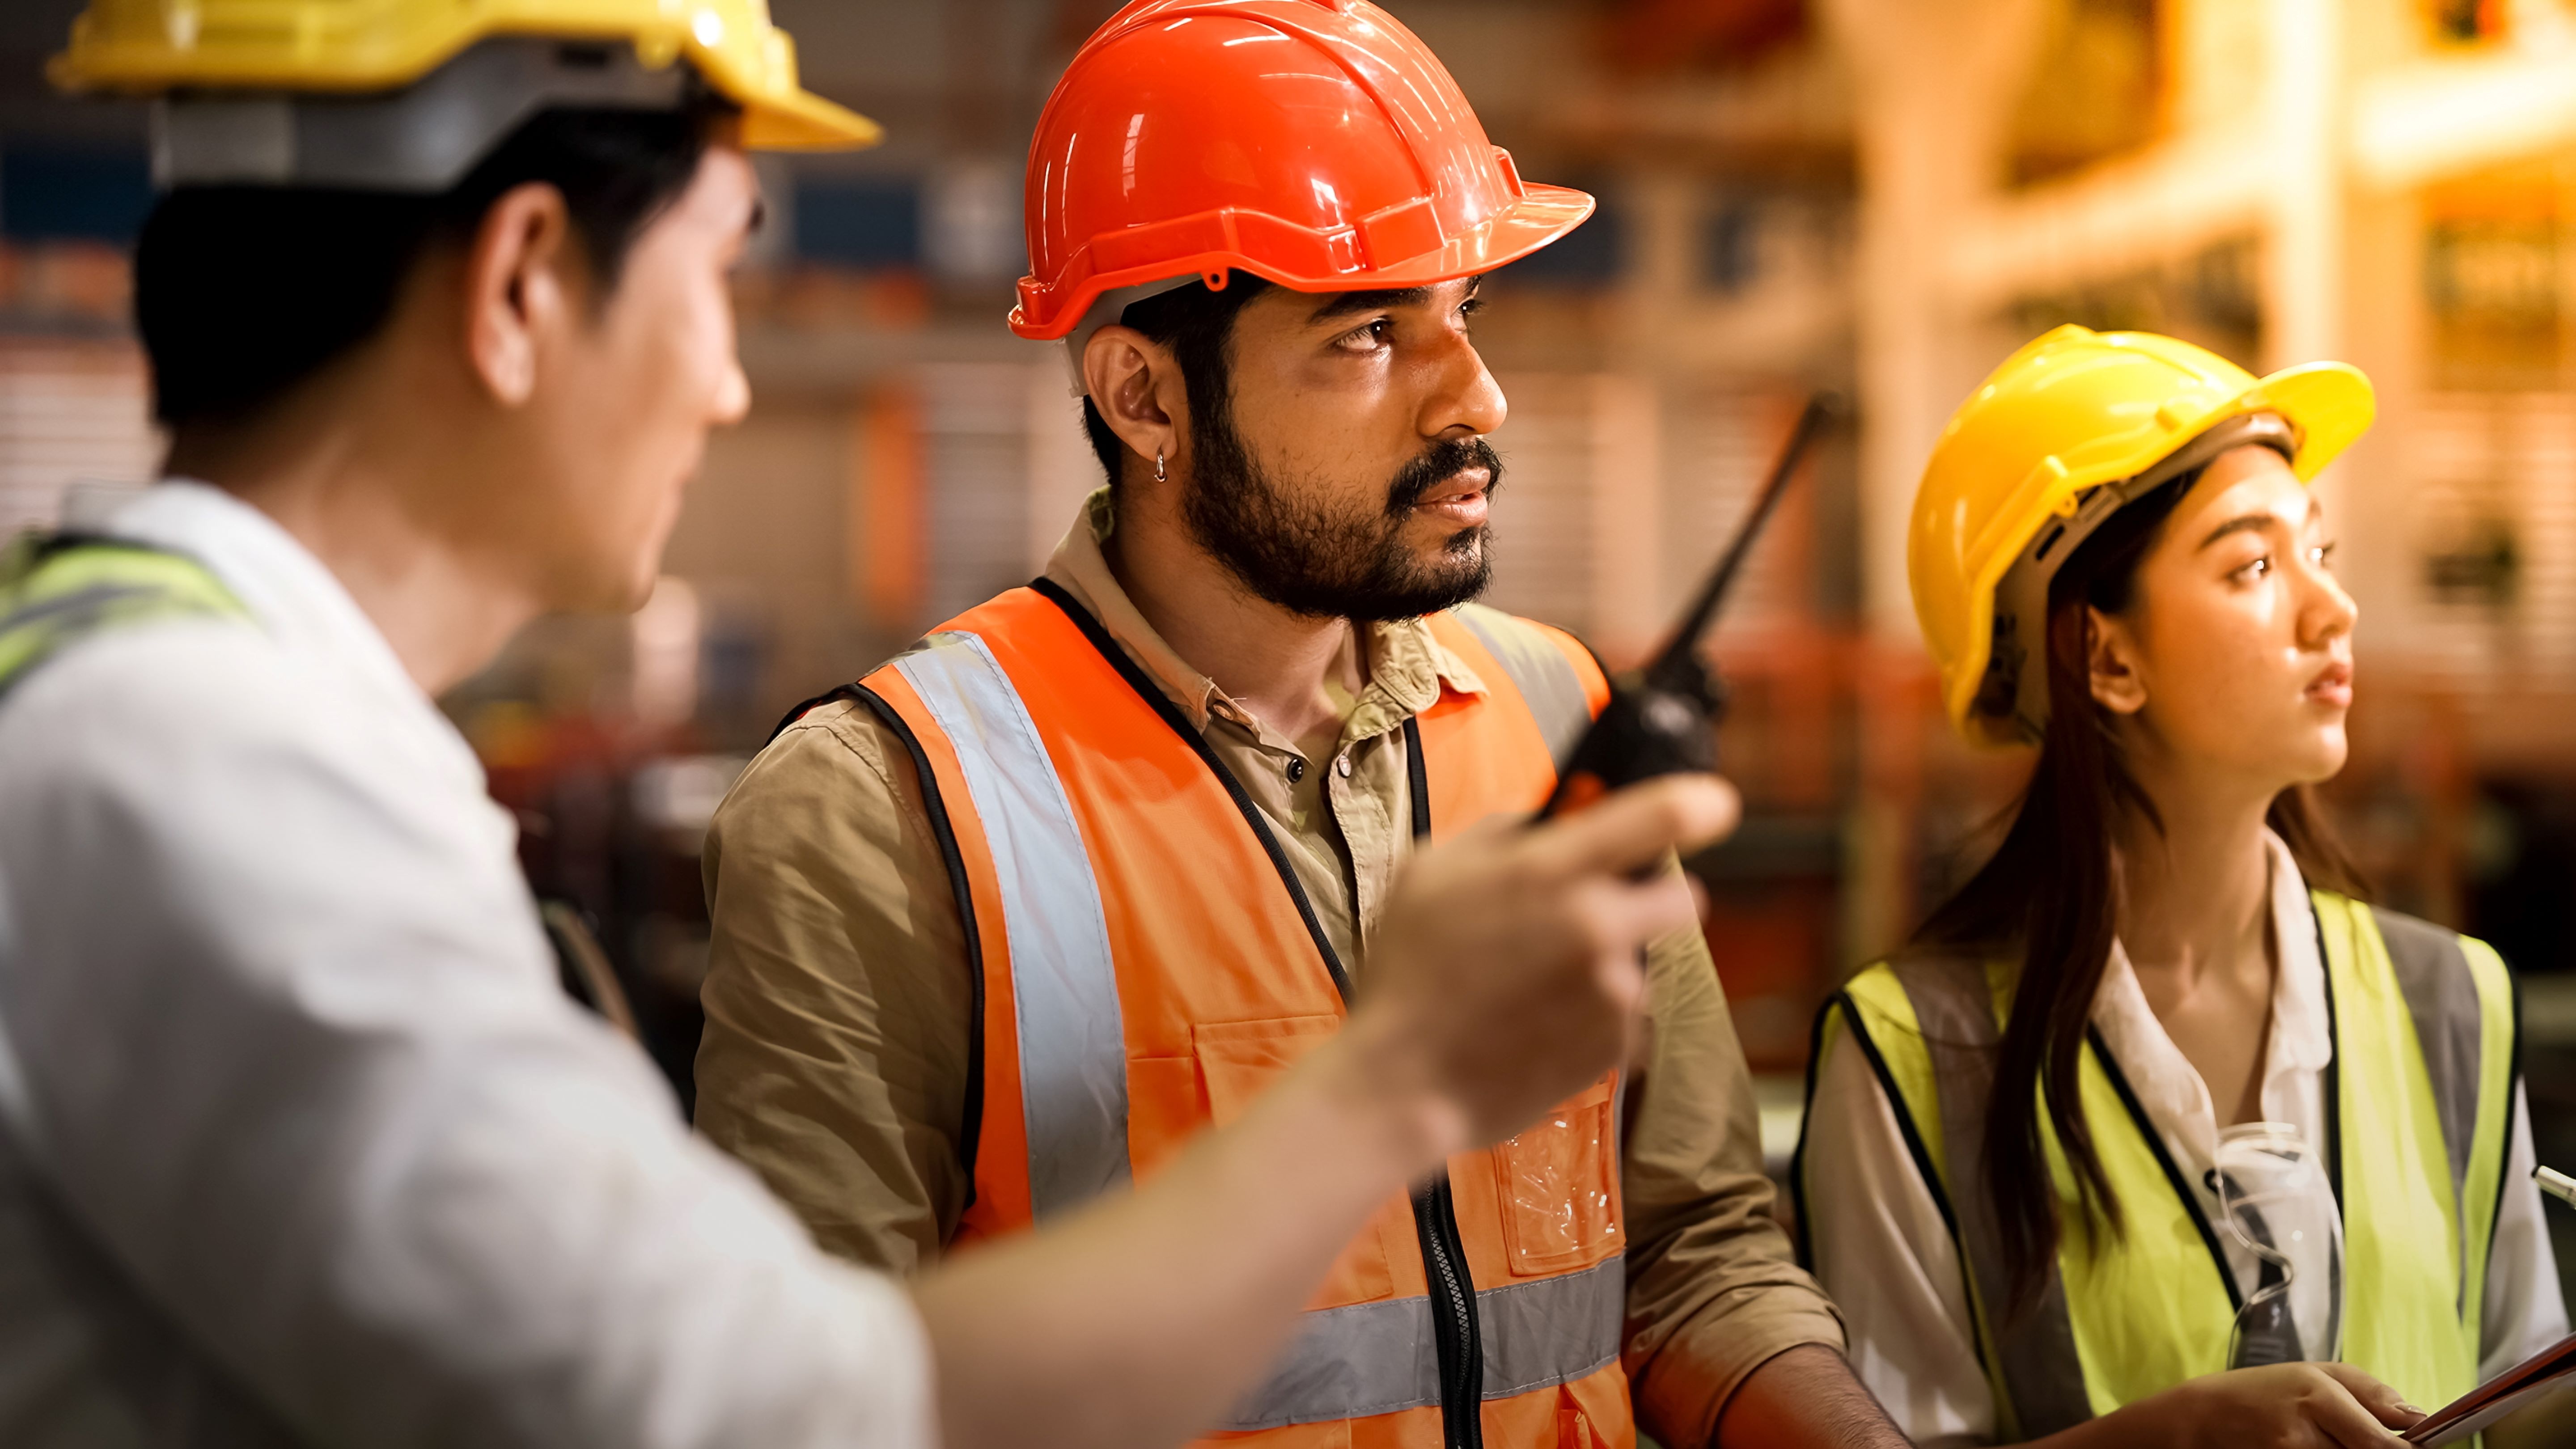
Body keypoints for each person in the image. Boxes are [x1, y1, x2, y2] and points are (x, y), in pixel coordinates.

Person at [0, 4, 1744, 1447]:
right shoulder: (199, 779)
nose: (733, 383)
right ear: (525, 282)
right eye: (719, 273)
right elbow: (764, 1413)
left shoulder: (211, 733)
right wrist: (1392, 1082)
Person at [693, 4, 1900, 1447]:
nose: (1481, 399)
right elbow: (794, 1414)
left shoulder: (1554, 713)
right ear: (1144, 395)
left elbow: (1696, 1268)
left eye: (1464, 314)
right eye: (1371, 336)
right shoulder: (882, 816)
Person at [1796, 325, 2570, 1447]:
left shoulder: (2453, 1001)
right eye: (2254, 566)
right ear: (2107, 659)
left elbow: (2526, 1404)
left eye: (2323, 553)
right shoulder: (1911, 1058)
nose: (2332, 610)